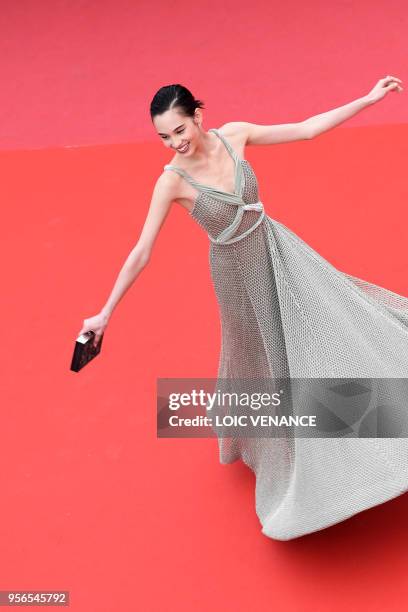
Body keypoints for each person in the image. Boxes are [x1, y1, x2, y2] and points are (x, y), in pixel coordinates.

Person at [78, 78, 408, 541]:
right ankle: (293, 457)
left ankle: (378, 422)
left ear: (198, 115)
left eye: (179, 129)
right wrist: (106, 312)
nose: (175, 142)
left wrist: (368, 99)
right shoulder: (171, 181)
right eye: (165, 137)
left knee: (326, 325)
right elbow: (141, 251)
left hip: (276, 251)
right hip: (234, 275)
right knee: (263, 360)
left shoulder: (236, 135)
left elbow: (308, 129)